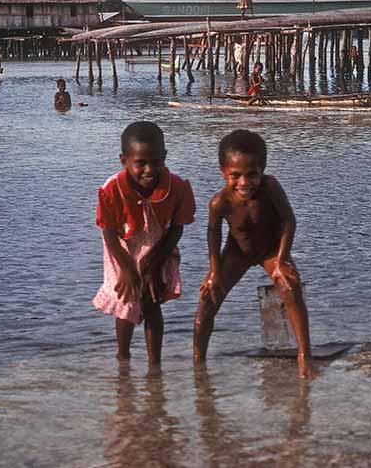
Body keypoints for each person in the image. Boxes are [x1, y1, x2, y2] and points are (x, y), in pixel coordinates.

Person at [194, 130, 316, 379]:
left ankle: (305, 356)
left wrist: (282, 260)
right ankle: (198, 363)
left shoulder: (270, 187)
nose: (244, 182)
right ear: (223, 172)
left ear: (262, 171)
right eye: (235, 175)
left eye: (252, 175)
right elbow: (213, 234)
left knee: (290, 286)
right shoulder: (219, 203)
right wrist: (213, 272)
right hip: (238, 252)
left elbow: (289, 221)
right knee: (208, 300)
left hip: (271, 250)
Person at [93, 122, 196, 370]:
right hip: (122, 249)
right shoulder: (112, 189)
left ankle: (154, 368)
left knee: (151, 301)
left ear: (165, 157)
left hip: (159, 246)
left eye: (156, 161)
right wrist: (129, 269)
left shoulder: (177, 187)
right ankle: (123, 360)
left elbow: (177, 228)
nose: (149, 170)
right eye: (141, 163)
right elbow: (108, 232)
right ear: (124, 161)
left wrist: (154, 263)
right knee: (127, 303)